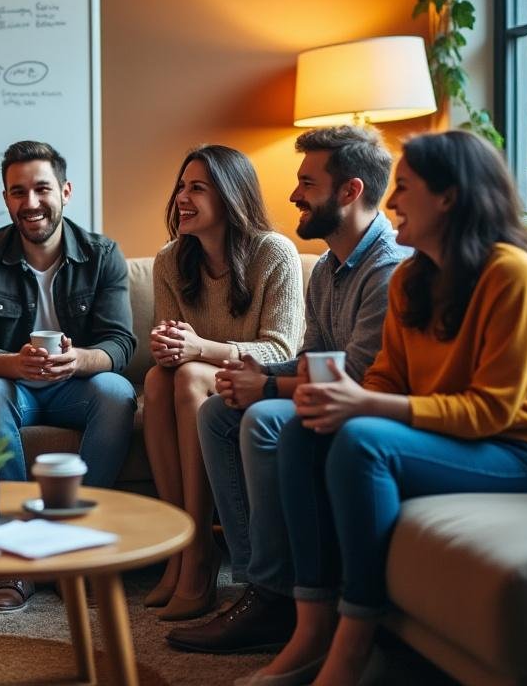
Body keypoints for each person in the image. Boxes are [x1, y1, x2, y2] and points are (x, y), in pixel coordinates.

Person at [245, 130, 527, 686]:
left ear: (450, 197)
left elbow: (491, 411)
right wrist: (340, 396)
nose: (391, 202)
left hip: (513, 451)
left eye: (406, 188)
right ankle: (310, 629)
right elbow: (389, 374)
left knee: (363, 442)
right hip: (447, 440)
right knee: (302, 430)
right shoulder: (414, 278)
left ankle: (355, 644)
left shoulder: (510, 275)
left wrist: (365, 405)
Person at [167, 126, 407, 655]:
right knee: (217, 413)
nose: (294, 195)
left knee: (262, 416)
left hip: (374, 411)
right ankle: (259, 583)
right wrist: (256, 378)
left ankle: (272, 594)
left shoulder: (389, 269)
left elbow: (362, 376)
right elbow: (311, 356)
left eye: (306, 182)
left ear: (350, 191)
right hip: (334, 395)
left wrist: (266, 383)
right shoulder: (327, 267)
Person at [0, 140, 137, 614]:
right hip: (15, 388)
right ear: (6, 198)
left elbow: (120, 344)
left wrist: (79, 362)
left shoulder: (102, 255)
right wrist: (13, 363)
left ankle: (75, 546)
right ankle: (17, 557)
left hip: (77, 388)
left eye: (41, 189)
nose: (30, 203)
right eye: (18, 192)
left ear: (66, 191)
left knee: (117, 392)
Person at [143, 144, 304, 621]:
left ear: (231, 195)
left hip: (257, 383)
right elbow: (173, 347)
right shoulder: (171, 260)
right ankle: (181, 548)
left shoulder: (273, 253)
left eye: (197, 188)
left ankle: (197, 557)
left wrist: (201, 351)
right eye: (180, 187)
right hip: (193, 377)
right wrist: (168, 346)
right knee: (156, 380)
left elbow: (282, 352)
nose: (181, 199)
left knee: (191, 375)